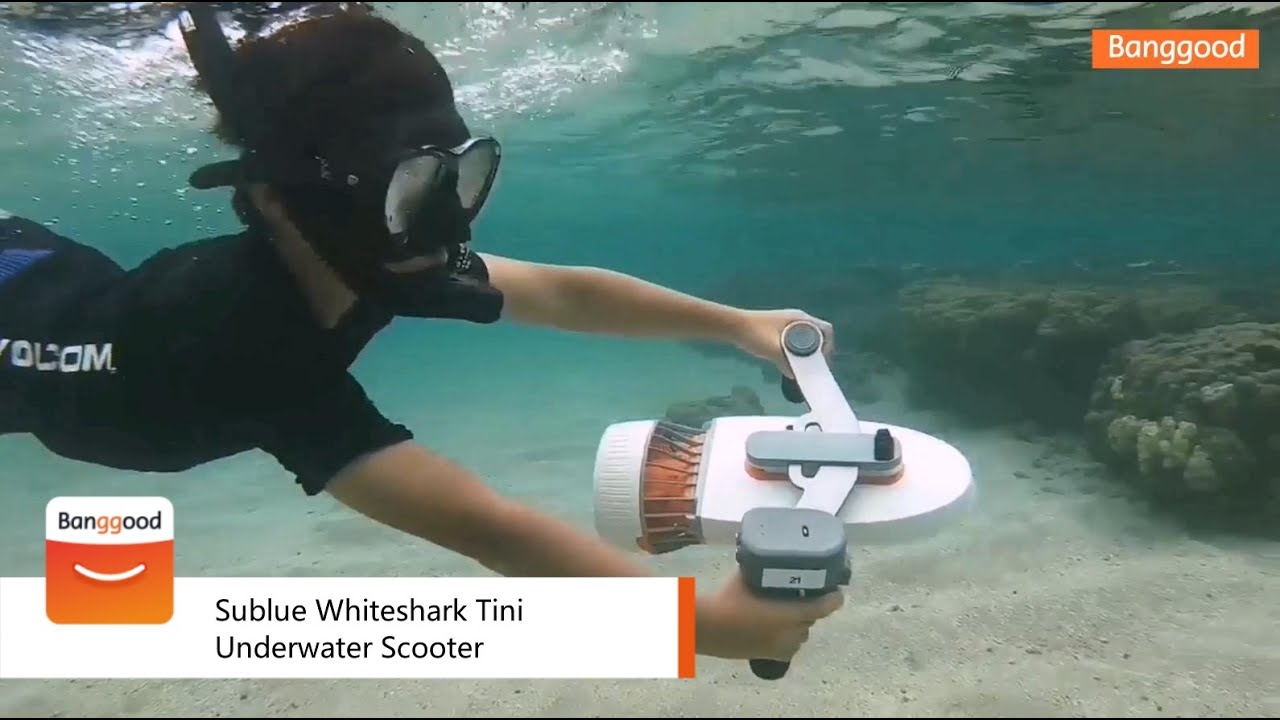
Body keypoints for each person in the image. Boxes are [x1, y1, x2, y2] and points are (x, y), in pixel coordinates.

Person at [0, 5, 843, 664]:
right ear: (273, 199)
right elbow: (490, 527)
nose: (440, 228)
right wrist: (696, 627)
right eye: (410, 189)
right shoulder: (237, 340)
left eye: (457, 178)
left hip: (51, 273)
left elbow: (560, 294)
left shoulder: (368, 245)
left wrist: (741, 326)